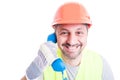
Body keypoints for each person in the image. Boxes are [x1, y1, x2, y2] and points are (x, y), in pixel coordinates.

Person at [21, 2, 114, 80]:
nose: (72, 41)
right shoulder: (45, 61)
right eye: (64, 33)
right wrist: (33, 71)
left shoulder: (100, 63)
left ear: (87, 34)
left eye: (79, 32)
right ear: (55, 35)